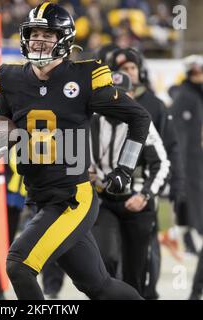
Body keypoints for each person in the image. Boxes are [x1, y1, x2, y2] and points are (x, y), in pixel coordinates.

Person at [0, 2, 151, 300]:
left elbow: (138, 117)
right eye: (34, 33)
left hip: (71, 198)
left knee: (19, 264)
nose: (39, 40)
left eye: (48, 33)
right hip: (39, 198)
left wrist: (125, 168)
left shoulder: (84, 77)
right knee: (99, 287)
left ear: (64, 39)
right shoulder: (11, 80)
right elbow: (5, 135)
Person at [109, 47, 186, 299]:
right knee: (114, 252)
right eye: (123, 69)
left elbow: (169, 148)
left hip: (147, 186)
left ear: (139, 70)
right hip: (113, 189)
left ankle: (148, 293)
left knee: (148, 247)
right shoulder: (105, 104)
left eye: (131, 68)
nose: (128, 72)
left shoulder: (155, 104)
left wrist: (175, 183)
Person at [90, 71, 170, 295]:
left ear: (131, 96)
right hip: (105, 200)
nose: (115, 101)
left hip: (136, 203)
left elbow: (162, 164)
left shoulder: (142, 122)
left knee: (135, 271)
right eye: (110, 95)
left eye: (121, 95)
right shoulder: (91, 122)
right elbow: (76, 159)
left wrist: (144, 195)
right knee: (106, 259)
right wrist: (84, 173)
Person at [170, 55, 203, 300]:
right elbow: (179, 136)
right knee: (191, 201)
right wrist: (178, 164)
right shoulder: (185, 98)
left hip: (197, 160)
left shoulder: (195, 96)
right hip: (190, 162)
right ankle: (189, 236)